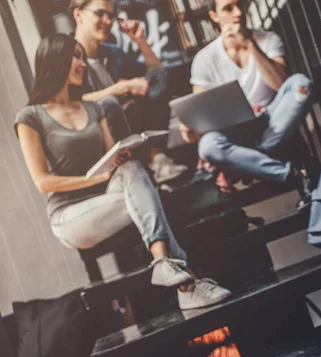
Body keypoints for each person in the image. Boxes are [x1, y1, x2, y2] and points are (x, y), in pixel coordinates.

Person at [14, 34, 231, 310]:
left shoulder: (94, 108)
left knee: (130, 168)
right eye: (76, 57)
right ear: (55, 59)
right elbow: (43, 182)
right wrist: (96, 178)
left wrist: (122, 156)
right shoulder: (30, 116)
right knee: (147, 196)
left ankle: (170, 270)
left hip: (112, 198)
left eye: (84, 57)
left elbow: (111, 158)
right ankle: (184, 279)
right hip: (70, 217)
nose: (83, 64)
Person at [179, 0, 314, 208]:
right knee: (208, 145)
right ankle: (291, 175)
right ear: (214, 17)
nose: (238, 12)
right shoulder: (204, 59)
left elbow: (281, 84)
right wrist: (191, 129)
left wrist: (250, 44)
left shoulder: (268, 39)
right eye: (228, 8)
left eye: (240, 5)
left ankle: (258, 155)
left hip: (271, 122)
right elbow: (202, 118)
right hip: (236, 134)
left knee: (301, 84)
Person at [70, 0, 188, 184]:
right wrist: (120, 89)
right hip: (98, 135)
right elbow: (71, 103)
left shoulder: (113, 53)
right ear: (78, 15)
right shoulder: (65, 56)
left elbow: (157, 74)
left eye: (111, 16)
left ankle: (158, 159)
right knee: (111, 104)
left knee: (159, 80)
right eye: (100, 13)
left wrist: (140, 41)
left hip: (130, 122)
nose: (108, 21)